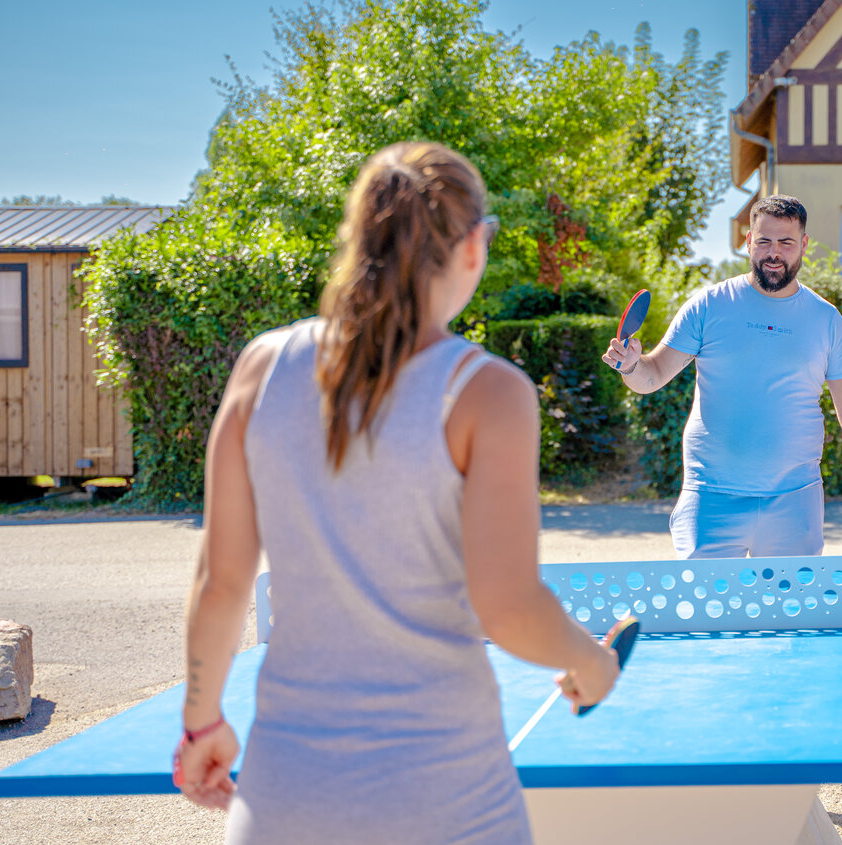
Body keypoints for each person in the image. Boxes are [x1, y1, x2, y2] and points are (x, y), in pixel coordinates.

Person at [175, 141, 621, 844]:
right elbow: (506, 606)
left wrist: (201, 720)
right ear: (475, 245)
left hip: (284, 798)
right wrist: (590, 660)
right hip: (447, 798)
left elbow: (221, 581)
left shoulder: (261, 366)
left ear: (358, 239)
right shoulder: (489, 392)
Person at [603, 194, 842, 560]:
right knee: (705, 615)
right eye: (764, 241)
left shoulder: (825, 318)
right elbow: (653, 375)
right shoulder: (708, 305)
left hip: (795, 499)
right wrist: (630, 364)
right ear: (747, 242)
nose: (774, 252)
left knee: (790, 616)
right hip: (710, 497)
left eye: (786, 242)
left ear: (803, 244)